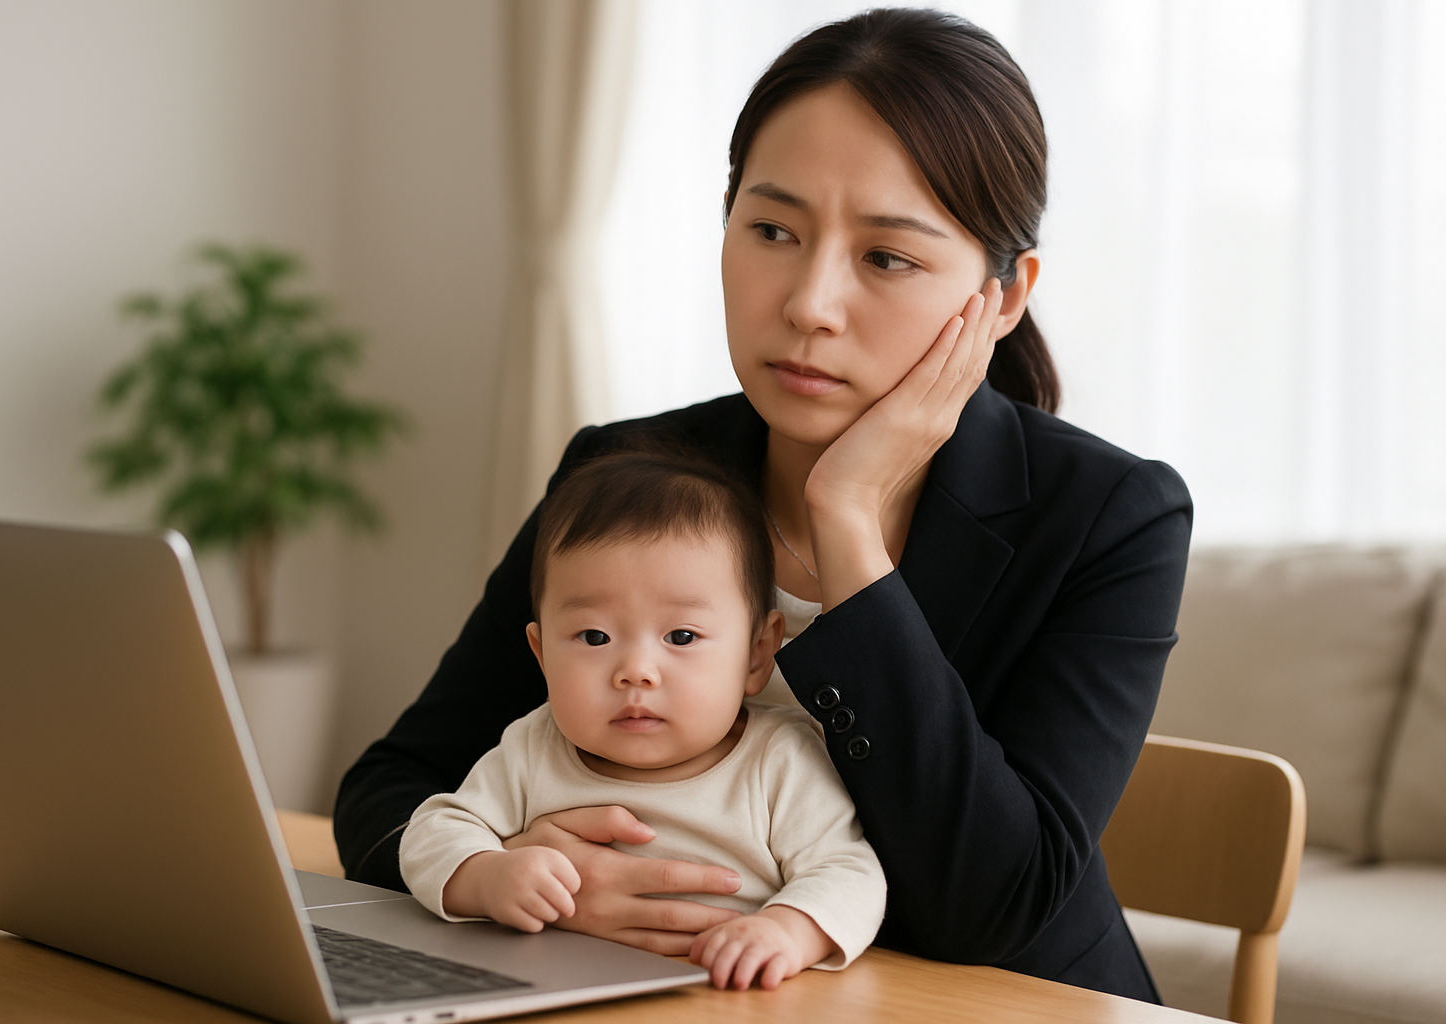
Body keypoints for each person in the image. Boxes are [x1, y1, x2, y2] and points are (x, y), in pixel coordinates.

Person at [336, 7, 1191, 1003]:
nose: (809, 303)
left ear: (1001, 298)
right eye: (774, 230)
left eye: (887, 257)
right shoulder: (628, 472)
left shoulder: (1112, 517)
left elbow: (989, 906)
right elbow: (388, 790)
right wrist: (515, 874)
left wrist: (848, 519)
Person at [398, 449, 886, 990]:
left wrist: (788, 930)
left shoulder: (779, 760)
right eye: (594, 637)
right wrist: (485, 876)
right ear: (541, 655)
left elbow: (851, 873)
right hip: (550, 991)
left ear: (756, 654)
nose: (635, 672)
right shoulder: (535, 746)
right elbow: (433, 831)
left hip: (722, 997)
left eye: (681, 637)